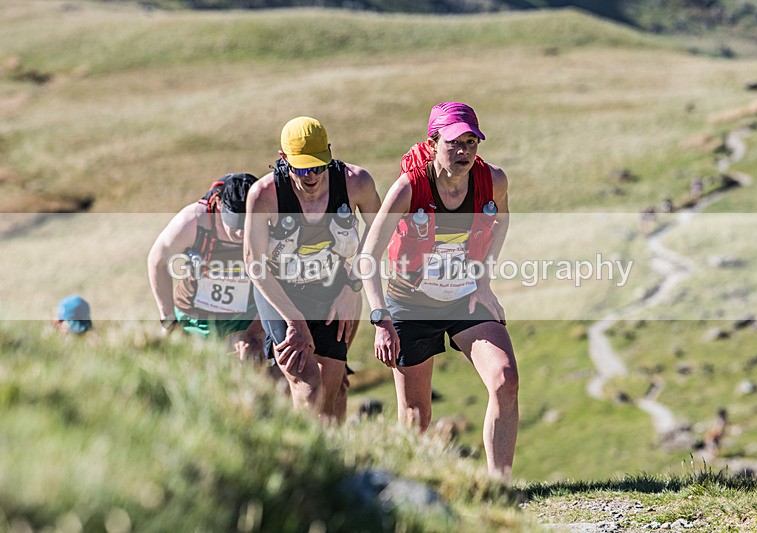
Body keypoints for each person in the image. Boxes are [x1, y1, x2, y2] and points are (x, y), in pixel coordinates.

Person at [360, 102, 519, 480]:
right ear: (433, 144)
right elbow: (368, 256)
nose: (463, 151)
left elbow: (503, 219)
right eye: (454, 143)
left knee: (505, 378)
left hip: (465, 298)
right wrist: (380, 318)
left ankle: (500, 486)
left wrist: (483, 280)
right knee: (416, 416)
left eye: (470, 142)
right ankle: (408, 490)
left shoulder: (492, 180)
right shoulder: (409, 188)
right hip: (411, 304)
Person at [244, 116, 381, 421]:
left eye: (319, 165)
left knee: (328, 398)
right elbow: (255, 264)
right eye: (302, 168)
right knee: (307, 390)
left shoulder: (356, 182)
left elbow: (380, 234)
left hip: (334, 289)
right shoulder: (265, 195)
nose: (311, 176)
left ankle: (329, 462)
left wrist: (351, 288)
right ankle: (298, 458)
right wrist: (295, 321)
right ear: (283, 159)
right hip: (281, 294)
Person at [148, 173, 265, 362]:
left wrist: (254, 331)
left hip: (244, 320)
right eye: (234, 222)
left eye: (246, 223)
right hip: (193, 319)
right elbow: (157, 260)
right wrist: (168, 320)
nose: (240, 232)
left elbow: (279, 280)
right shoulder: (193, 221)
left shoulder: (267, 221)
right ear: (219, 204)